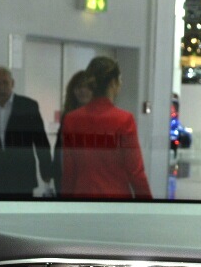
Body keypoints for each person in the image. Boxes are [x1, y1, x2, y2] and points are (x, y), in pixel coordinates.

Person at [60, 56, 152, 199]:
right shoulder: (124, 120)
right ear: (113, 83)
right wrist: (148, 205)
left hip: (82, 199)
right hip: (116, 200)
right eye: (120, 80)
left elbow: (69, 171)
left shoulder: (72, 119)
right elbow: (135, 171)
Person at [0, 66, 53, 198]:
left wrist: (46, 170)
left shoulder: (28, 106)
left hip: (22, 173)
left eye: (5, 82)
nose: (1, 86)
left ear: (12, 83)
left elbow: (40, 139)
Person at [53, 71, 94, 193]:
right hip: (64, 175)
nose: (82, 91)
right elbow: (59, 147)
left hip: (90, 178)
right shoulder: (67, 116)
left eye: (87, 87)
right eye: (78, 87)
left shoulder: (100, 116)